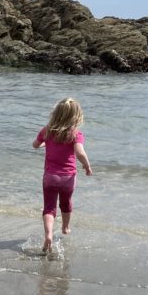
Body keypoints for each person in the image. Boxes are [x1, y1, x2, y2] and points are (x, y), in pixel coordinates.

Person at [32, 97, 92, 254]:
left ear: (56, 113)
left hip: (50, 177)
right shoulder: (76, 134)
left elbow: (35, 145)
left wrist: (45, 143)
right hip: (68, 178)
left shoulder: (47, 130)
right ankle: (65, 227)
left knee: (49, 208)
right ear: (76, 117)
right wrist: (87, 165)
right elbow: (79, 152)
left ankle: (48, 234)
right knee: (66, 204)